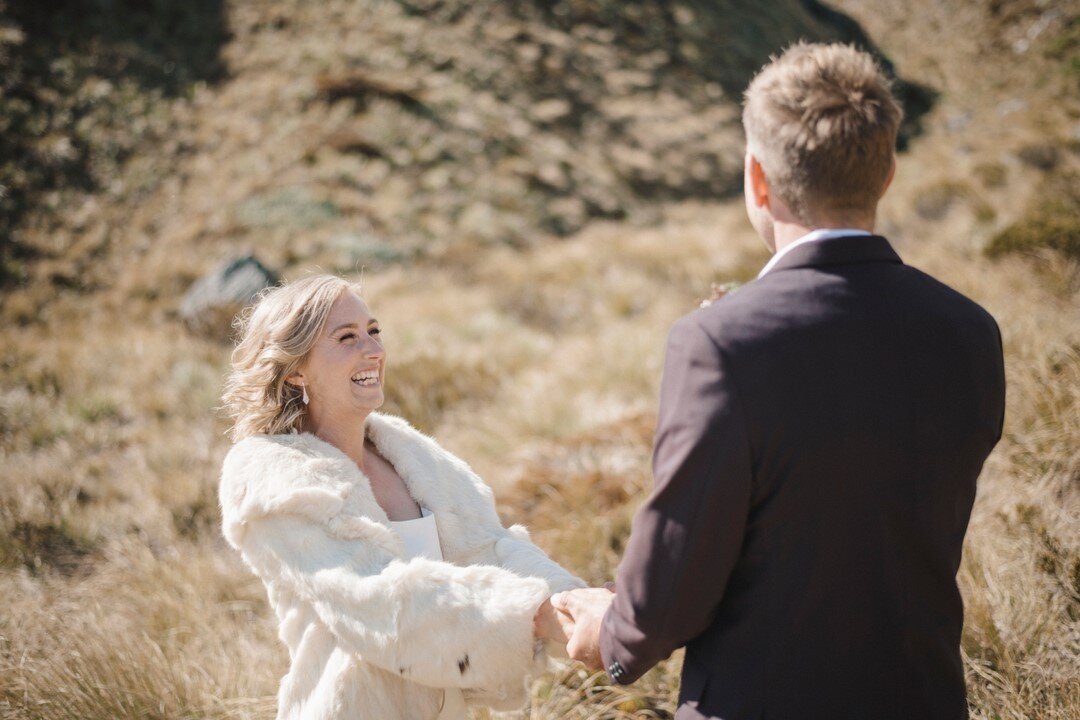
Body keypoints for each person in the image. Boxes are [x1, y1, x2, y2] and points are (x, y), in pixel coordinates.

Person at [551, 42, 1006, 720]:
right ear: (886, 174)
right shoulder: (970, 331)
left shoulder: (718, 343)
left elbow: (680, 567)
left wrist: (610, 633)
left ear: (758, 180)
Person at [218, 275, 582, 720]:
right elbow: (384, 605)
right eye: (347, 337)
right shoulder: (272, 477)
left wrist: (578, 607)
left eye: (373, 331)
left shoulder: (411, 454)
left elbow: (491, 548)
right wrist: (537, 613)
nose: (373, 350)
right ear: (296, 369)